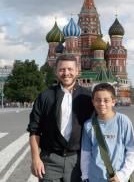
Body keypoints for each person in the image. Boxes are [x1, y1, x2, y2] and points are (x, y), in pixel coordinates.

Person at [27, 54, 94, 182]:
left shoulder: (87, 97)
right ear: (56, 71)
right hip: (50, 160)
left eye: (70, 69)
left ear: (77, 71)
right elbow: (34, 129)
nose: (66, 73)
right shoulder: (45, 96)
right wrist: (35, 158)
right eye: (62, 69)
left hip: (77, 161)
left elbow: (100, 122)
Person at [81, 83, 134, 182]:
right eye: (98, 100)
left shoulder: (123, 121)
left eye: (106, 100)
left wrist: (122, 175)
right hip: (95, 178)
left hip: (117, 178)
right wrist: (85, 176)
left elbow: (132, 151)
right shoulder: (88, 125)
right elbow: (86, 154)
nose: (102, 103)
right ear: (93, 102)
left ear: (113, 102)